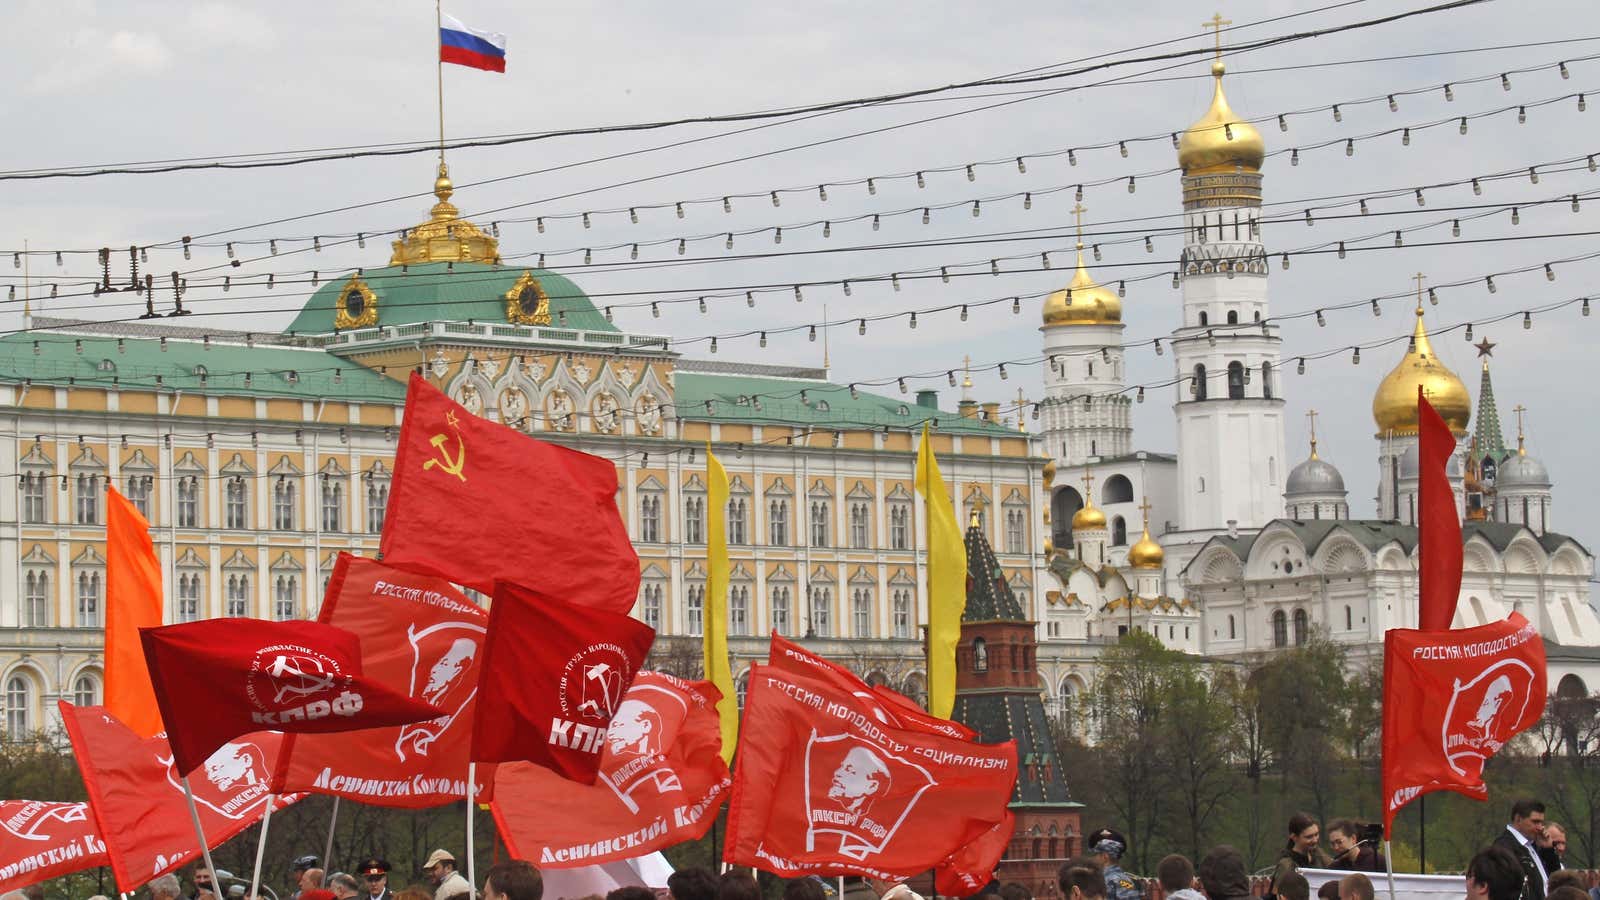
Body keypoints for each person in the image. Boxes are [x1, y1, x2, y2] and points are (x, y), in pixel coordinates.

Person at [1493, 799, 1549, 900]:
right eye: (1535, 822)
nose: (1540, 827)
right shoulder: (1504, 847)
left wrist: (1548, 850)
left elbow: (1554, 879)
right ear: (1518, 819)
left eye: (1541, 822)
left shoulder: (1534, 845)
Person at [1274, 814, 1332, 893]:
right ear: (1294, 837)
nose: (1315, 840)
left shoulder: (1319, 854)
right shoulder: (1286, 864)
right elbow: (1279, 893)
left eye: (1316, 834)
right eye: (1309, 837)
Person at [1086, 828, 1139, 900]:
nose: (1093, 859)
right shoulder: (1122, 880)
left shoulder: (1111, 881)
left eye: (1096, 854)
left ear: (1105, 856)